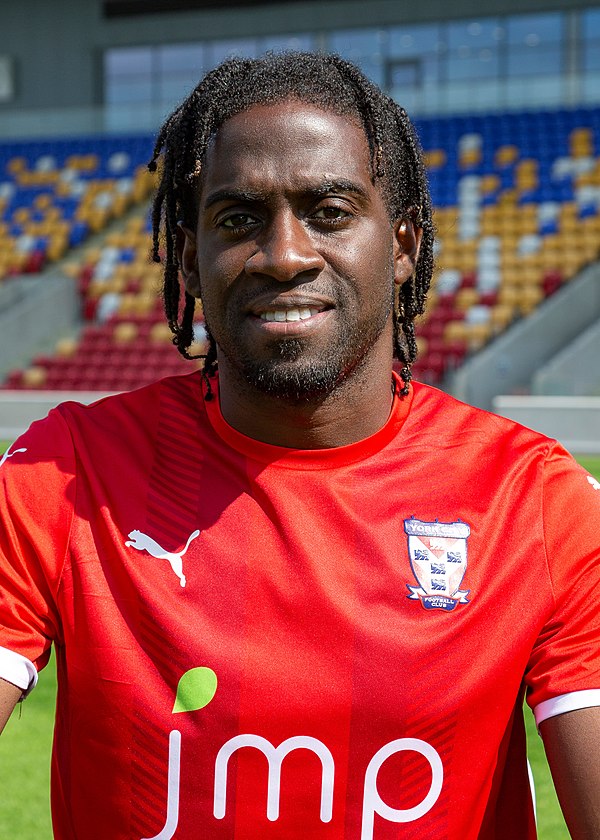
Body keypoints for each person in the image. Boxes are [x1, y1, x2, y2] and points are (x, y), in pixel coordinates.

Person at [0, 51, 599, 840]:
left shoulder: (535, 500)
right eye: (239, 219)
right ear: (189, 257)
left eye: (330, 211)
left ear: (406, 245)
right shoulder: (69, 472)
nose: (285, 255)